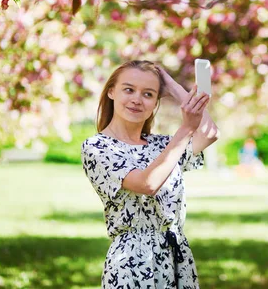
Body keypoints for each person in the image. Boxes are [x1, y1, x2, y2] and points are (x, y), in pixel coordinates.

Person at [81, 60, 219, 289]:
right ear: (111, 92)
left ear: (156, 101)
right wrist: (185, 129)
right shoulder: (98, 147)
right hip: (133, 263)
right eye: (129, 89)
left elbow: (210, 132)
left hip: (177, 257)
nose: (137, 99)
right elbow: (148, 183)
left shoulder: (162, 145)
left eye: (148, 94)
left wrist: (173, 87)